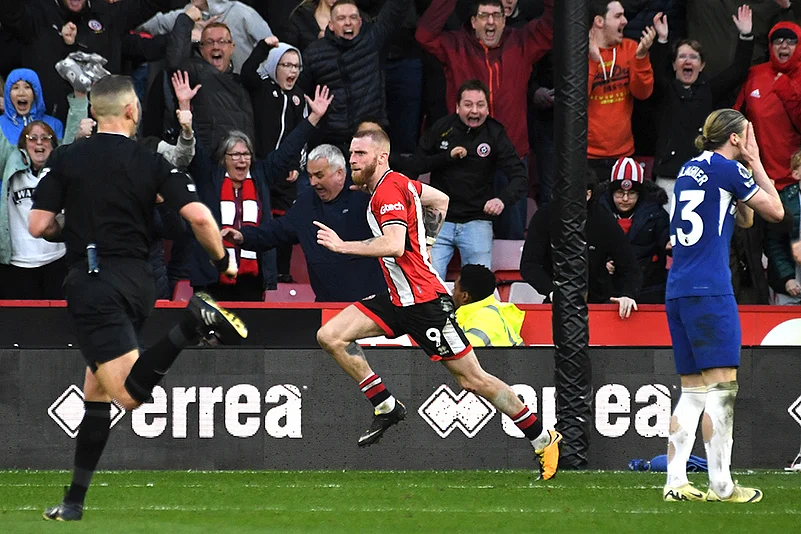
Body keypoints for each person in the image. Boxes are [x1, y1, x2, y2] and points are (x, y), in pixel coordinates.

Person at [29, 75, 248, 521]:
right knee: (95, 390)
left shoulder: (67, 158)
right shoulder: (150, 161)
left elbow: (38, 225)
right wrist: (224, 262)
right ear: (132, 111)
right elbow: (201, 219)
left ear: (93, 112)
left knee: (127, 397)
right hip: (139, 281)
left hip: (94, 282)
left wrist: (69, 228)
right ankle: (73, 502)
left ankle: (192, 324)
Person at [313, 128, 562, 479]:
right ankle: (386, 405)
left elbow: (395, 245)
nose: (353, 160)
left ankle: (542, 437)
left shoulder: (386, 193)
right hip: (399, 298)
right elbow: (441, 200)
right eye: (351, 153)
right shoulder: (399, 183)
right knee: (331, 335)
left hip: (425, 302)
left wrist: (342, 246)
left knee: (473, 380)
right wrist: (428, 242)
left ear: (381, 157)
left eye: (360, 155)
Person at [662, 109, 784, 503]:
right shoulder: (728, 170)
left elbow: (744, 219)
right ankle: (722, 485)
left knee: (692, 391)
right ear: (734, 139)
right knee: (722, 390)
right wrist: (758, 164)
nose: (750, 142)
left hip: (678, 288)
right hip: (710, 289)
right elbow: (776, 211)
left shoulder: (687, 169)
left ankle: (675, 482)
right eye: (747, 136)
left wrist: (742, 178)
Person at [416, 0, 554, 238]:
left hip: (510, 156)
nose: (490, 22)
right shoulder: (455, 45)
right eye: (484, 16)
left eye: (496, 16)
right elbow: (424, 35)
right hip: (465, 160)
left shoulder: (522, 42)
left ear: (504, 19)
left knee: (511, 236)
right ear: (473, 21)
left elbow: (553, 22)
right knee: (466, 235)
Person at [186, 85, 333, 301]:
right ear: (223, 158)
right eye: (235, 154)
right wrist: (184, 106)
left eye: (246, 154)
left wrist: (313, 118)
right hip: (212, 274)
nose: (242, 159)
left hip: (252, 277)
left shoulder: (260, 174)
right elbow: (194, 147)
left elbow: (287, 150)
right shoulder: (210, 177)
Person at [220, 144, 387, 302]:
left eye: (319, 175)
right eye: (310, 175)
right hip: (326, 305)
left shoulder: (365, 197)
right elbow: (276, 231)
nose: (313, 182)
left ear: (340, 173)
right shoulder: (306, 204)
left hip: (369, 304)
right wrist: (242, 236)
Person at [417, 79, 528, 279]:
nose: (474, 111)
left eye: (480, 105)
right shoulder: (442, 127)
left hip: (477, 221)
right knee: (427, 284)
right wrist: (446, 157)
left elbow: (520, 176)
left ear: (488, 108)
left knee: (479, 289)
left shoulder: (495, 133)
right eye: (468, 105)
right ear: (457, 107)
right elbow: (417, 164)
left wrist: (502, 200)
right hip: (439, 220)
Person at [0, 0, 168, 124]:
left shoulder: (108, 14)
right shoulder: (37, 14)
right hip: (45, 131)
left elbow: (150, 5)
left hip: (100, 128)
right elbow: (9, 12)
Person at [650, 8, 754, 206]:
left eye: (693, 57)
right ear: (673, 65)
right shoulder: (664, 90)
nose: (687, 61)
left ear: (702, 65)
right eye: (682, 57)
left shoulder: (709, 91)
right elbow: (654, 72)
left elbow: (738, 71)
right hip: (668, 177)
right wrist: (662, 40)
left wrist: (746, 36)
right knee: (665, 233)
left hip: (702, 177)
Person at [520, 175, 642, 319]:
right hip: (556, 302)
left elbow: (630, 267)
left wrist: (627, 295)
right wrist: (552, 291)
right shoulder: (545, 216)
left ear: (588, 194)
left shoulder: (603, 219)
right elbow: (529, 265)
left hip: (598, 303)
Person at [242, 37, 309, 282]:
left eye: (296, 66)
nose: (292, 71)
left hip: (286, 171)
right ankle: (260, 273)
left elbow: (302, 135)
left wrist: (297, 166)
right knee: (261, 219)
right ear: (273, 67)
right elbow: (247, 72)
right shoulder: (262, 87)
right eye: (286, 65)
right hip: (260, 167)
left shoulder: (299, 97)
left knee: (286, 221)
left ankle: (283, 273)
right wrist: (263, 47)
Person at [301, 0, 406, 153]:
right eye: (341, 18)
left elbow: (396, 8)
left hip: (370, 136)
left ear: (360, 21)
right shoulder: (313, 53)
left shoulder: (373, 39)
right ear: (330, 25)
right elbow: (298, 93)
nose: (348, 23)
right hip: (331, 140)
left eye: (353, 17)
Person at [166, 10, 255, 153]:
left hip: (241, 161)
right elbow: (175, 62)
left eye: (222, 41)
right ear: (201, 48)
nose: (216, 47)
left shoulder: (243, 83)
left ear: (232, 47)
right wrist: (186, 20)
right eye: (209, 42)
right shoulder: (196, 71)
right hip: (210, 159)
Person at [587, 0, 655, 183]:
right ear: (599, 21)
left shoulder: (630, 48)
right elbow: (575, 100)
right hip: (587, 156)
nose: (625, 21)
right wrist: (593, 60)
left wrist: (641, 57)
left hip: (624, 154)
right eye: (618, 16)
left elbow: (643, 93)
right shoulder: (579, 51)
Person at [0, 122, 67, 299]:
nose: (39, 143)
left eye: (46, 138)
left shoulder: (61, 168)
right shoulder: (10, 162)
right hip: (18, 263)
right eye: (32, 138)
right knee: (22, 323)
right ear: (22, 145)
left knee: (56, 321)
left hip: (57, 259)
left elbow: (71, 143)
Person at [597, 157, 670, 304]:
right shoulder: (596, 213)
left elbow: (666, 237)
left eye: (631, 194)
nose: (625, 199)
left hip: (648, 290)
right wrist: (600, 264)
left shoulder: (656, 213)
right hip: (607, 290)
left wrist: (671, 244)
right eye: (619, 193)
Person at [138, 0, 274, 74]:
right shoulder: (187, 14)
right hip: (205, 94)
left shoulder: (243, 13)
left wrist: (258, 77)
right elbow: (150, 23)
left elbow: (272, 48)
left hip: (245, 91)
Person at [452, 263, 525, 347]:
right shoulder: (489, 311)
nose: (453, 292)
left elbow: (463, 353)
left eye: (455, 288)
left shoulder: (485, 318)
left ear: (465, 296)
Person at [764, 149, 801, 304]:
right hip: (792, 286)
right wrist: (787, 277)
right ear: (796, 173)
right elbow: (773, 243)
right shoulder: (783, 201)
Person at [0, 70, 64, 145]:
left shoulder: (54, 124)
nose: (21, 93)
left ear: (36, 94)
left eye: (27, 87)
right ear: (8, 95)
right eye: (16, 88)